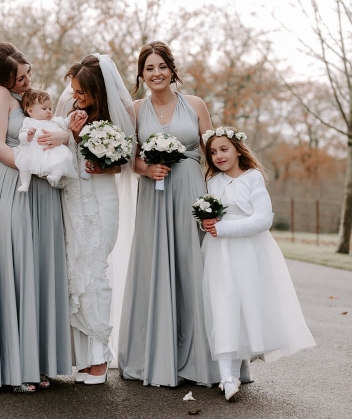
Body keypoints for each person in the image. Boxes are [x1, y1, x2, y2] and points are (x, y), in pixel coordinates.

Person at [118, 41, 251, 387]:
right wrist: (146, 170)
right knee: (156, 266)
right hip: (155, 199)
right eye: (149, 68)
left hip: (192, 194)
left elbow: (215, 155)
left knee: (199, 268)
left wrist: (224, 198)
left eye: (161, 66)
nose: (156, 73)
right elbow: (128, 159)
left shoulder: (195, 105)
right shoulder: (134, 110)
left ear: (172, 70)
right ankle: (158, 357)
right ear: (141, 75)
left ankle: (210, 361)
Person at [0, 42, 71, 393]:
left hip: (42, 190)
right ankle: (15, 368)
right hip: (15, 184)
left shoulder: (29, 99)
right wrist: (37, 165)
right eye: (20, 77)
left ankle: (37, 362)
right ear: (4, 80)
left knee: (38, 266)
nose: (27, 80)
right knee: (16, 267)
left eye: (28, 71)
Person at [200, 126, 316, 400]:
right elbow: (210, 213)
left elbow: (264, 219)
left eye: (224, 149)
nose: (218, 156)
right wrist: (206, 222)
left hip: (249, 251)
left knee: (247, 304)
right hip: (218, 253)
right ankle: (226, 375)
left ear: (238, 150)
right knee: (222, 304)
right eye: (213, 152)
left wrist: (226, 229)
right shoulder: (213, 182)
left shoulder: (252, 178)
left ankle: (243, 359)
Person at [55, 54, 137, 385]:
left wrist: (93, 153)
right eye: (73, 90)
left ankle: (100, 356)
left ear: (97, 91)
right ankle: (82, 358)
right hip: (73, 196)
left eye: (81, 92)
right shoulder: (68, 109)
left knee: (96, 271)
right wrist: (70, 136)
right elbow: (61, 154)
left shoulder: (117, 113)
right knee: (75, 271)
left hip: (101, 198)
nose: (75, 97)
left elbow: (122, 162)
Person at [15, 88, 78, 191]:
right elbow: (21, 136)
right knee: (24, 161)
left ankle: (55, 176)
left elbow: (67, 122)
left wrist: (73, 116)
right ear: (30, 111)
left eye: (50, 108)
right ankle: (25, 183)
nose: (48, 111)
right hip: (35, 149)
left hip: (52, 149)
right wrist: (28, 136)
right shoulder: (29, 122)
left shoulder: (55, 120)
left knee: (63, 156)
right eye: (44, 109)